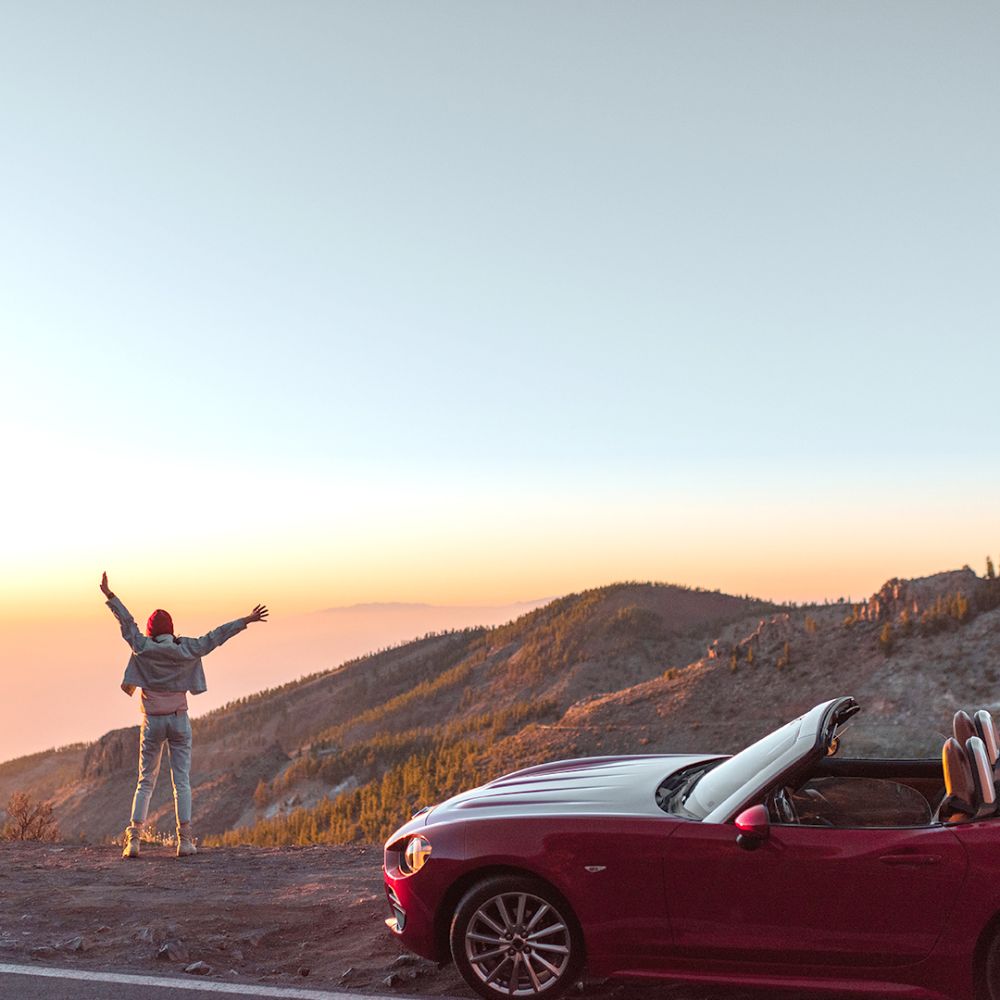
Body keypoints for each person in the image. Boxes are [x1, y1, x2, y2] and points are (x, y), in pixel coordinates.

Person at [100, 572, 268, 859]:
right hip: (179, 719)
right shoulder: (187, 648)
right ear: (171, 629)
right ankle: (185, 841)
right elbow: (216, 636)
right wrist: (246, 620)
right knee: (182, 782)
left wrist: (110, 595)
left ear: (152, 631)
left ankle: (134, 841)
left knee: (145, 781)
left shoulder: (142, 647)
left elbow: (127, 624)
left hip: (152, 722)